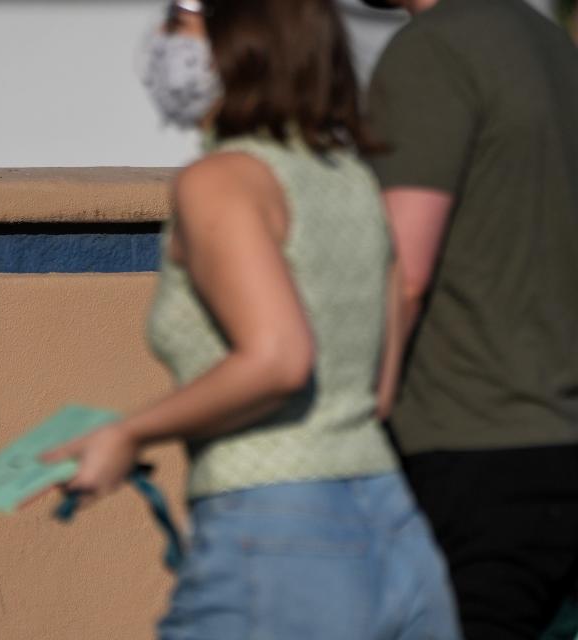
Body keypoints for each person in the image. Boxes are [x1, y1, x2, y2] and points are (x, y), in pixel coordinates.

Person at [41, 0, 460, 637]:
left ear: (238, 37)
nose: (162, 40)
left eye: (179, 20)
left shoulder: (223, 180)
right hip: (396, 529)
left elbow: (278, 359)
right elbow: (376, 390)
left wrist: (128, 434)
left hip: (276, 536)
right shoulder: (351, 176)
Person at [361, 0, 578, 638]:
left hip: (471, 452)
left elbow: (405, 272)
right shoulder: (547, 43)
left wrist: (362, 410)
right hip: (557, 440)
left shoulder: (432, 50)